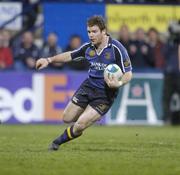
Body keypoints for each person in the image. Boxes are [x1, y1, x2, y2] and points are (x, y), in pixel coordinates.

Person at [35, 15, 133, 151]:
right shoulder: (88, 47)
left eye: (94, 31)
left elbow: (128, 73)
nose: (91, 35)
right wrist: (48, 60)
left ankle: (57, 142)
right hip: (88, 86)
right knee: (66, 118)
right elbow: (70, 55)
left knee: (80, 124)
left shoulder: (117, 48)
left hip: (105, 94)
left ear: (103, 31)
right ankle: (90, 118)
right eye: (89, 32)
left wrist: (119, 83)